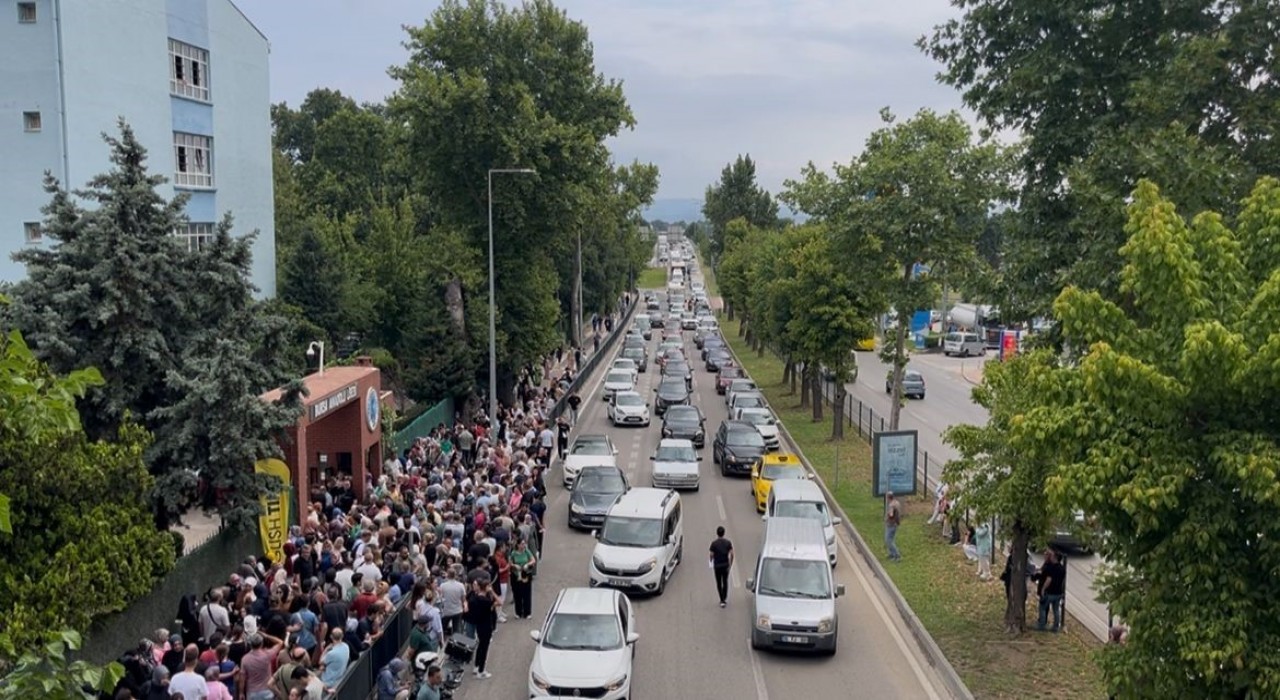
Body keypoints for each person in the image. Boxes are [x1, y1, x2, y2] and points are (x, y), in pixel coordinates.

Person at [465, 579, 499, 679]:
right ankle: (481, 671)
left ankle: (476, 666)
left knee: (480, 645)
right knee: (484, 648)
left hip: (479, 625)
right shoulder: (487, 601)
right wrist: (492, 591)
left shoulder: (474, 599)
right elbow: (499, 602)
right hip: (486, 626)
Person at [1032, 550, 1066, 632]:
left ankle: (1042, 625)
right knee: (1056, 610)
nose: (1051, 557)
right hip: (1058, 593)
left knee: (1043, 608)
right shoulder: (1062, 569)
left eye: (1052, 556)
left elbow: (1049, 579)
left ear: (1055, 558)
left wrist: (1043, 589)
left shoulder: (1052, 568)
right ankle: (1056, 627)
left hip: (1050, 592)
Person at [509, 538, 537, 620]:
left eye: (524, 543)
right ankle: (518, 612)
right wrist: (514, 565)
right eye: (522, 544)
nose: (523, 545)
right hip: (516, 575)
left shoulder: (526, 551)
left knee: (527, 593)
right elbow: (510, 562)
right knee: (517, 593)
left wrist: (528, 564)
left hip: (526, 574)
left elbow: (533, 560)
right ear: (517, 545)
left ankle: (527, 612)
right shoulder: (513, 553)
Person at [708, 526, 734, 608]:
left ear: (717, 533)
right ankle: (725, 597)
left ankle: (722, 600)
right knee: (725, 581)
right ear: (724, 533)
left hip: (717, 566)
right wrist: (730, 564)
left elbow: (711, 555)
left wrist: (711, 561)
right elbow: (732, 554)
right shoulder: (728, 543)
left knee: (719, 582)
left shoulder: (714, 544)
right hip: (725, 565)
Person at [884, 491, 902, 562]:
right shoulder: (897, 503)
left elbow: (891, 515)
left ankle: (897, 555)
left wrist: (887, 516)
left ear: (888, 497)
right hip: (895, 524)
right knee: (891, 539)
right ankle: (891, 554)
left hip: (891, 524)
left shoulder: (891, 505)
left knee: (888, 540)